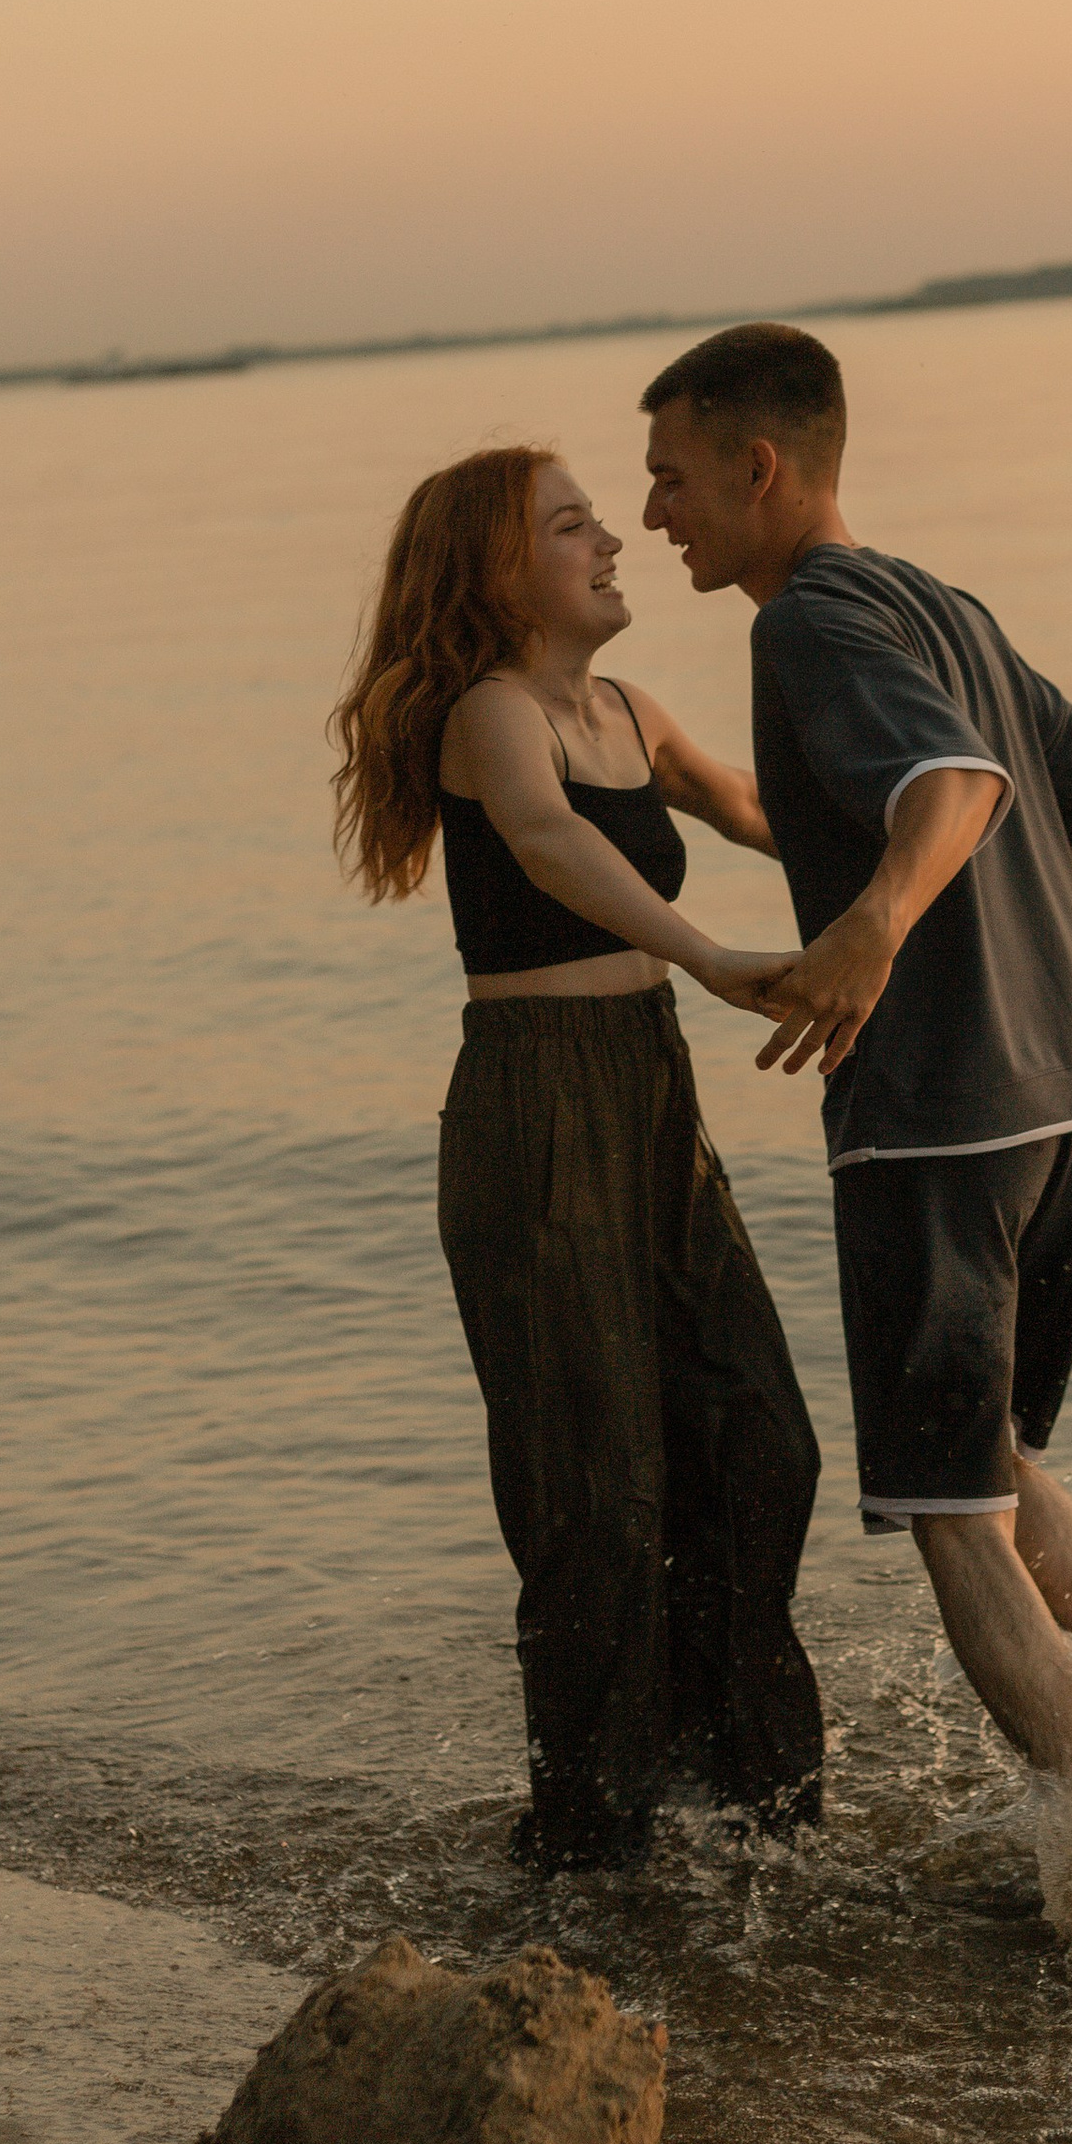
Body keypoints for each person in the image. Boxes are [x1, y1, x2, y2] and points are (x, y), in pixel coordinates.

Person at [637, 325, 1072, 1781]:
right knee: (994, 1470)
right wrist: (766, 818)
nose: (654, 516)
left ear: (759, 466)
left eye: (671, 479)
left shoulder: (805, 623)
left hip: (939, 1120)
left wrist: (881, 927)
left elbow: (957, 782)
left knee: (950, 1513)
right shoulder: (938, 603)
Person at [330, 442, 826, 1869]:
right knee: (594, 1495)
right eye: (572, 525)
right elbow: (548, 849)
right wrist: (715, 956)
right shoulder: (493, 716)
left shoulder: (626, 709)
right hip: (535, 1112)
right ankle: (588, 1852)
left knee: (756, 1444)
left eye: (602, 517)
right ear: (498, 571)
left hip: (651, 1090)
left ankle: (748, 1811)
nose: (615, 537)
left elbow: (766, 817)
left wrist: (950, 829)